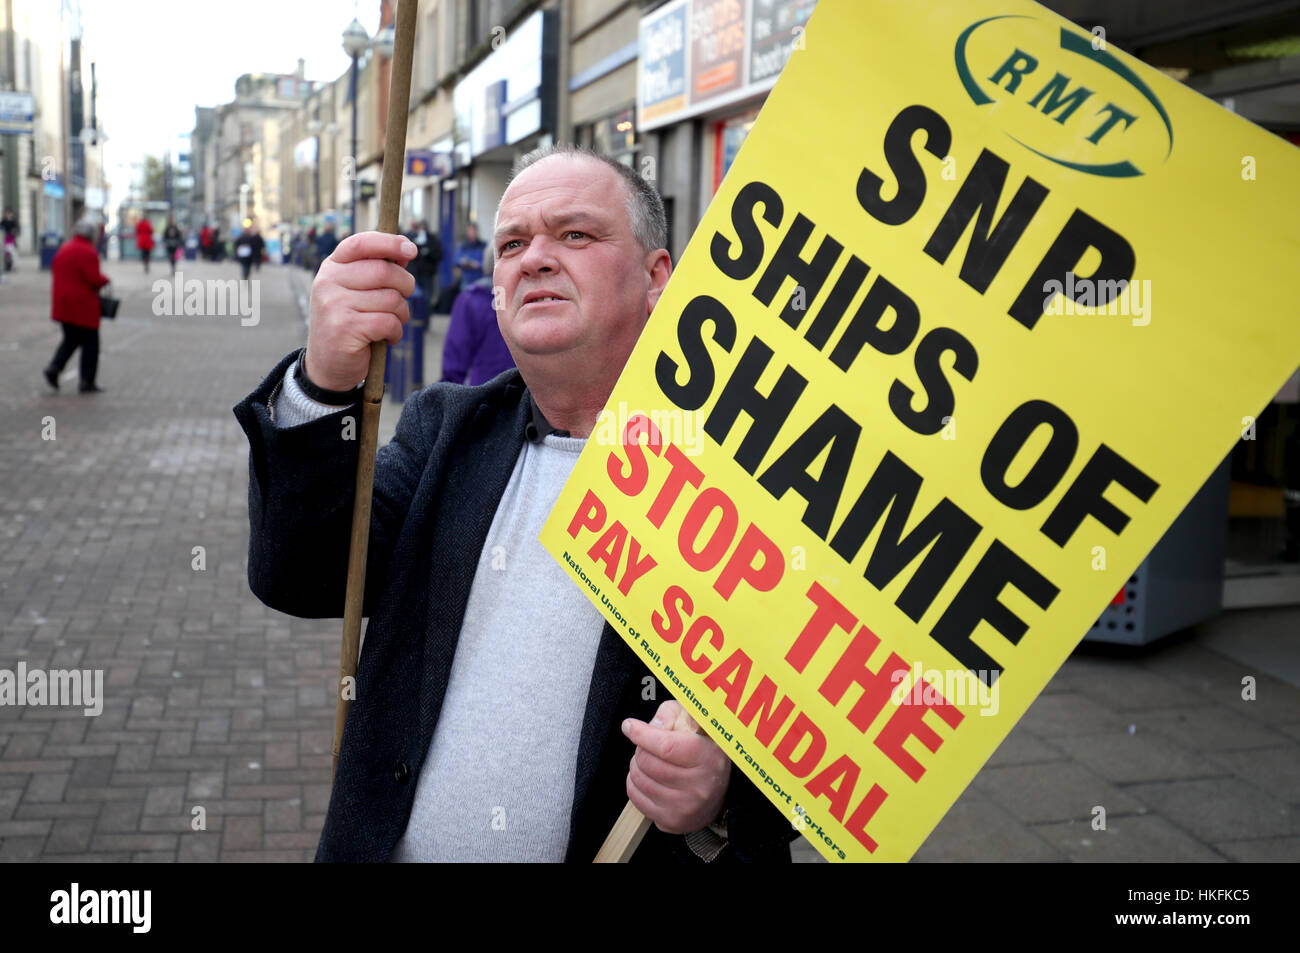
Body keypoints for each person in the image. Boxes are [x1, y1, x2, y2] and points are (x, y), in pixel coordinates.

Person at [233, 145, 796, 863]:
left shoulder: (744, 481)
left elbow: (805, 720)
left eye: (575, 234)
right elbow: (301, 574)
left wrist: (719, 801)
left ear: (657, 277)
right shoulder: (444, 430)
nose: (534, 258)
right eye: (512, 243)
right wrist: (321, 383)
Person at [44, 216, 111, 394]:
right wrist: (106, 280)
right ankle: (87, 380)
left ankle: (54, 368)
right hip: (82, 305)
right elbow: (94, 280)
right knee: (91, 343)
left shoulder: (65, 248)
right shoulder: (88, 252)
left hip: (63, 304)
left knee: (71, 340)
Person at [440, 247, 514, 386]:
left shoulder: (469, 301)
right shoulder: (527, 300)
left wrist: (447, 396)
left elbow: (456, 352)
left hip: (480, 393)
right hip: (523, 395)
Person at [402, 218, 441, 309]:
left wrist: (429, 252)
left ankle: (425, 320)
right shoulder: (414, 238)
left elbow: (439, 255)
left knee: (427, 298)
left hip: (428, 274)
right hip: (416, 274)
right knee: (416, 298)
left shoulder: (432, 239)